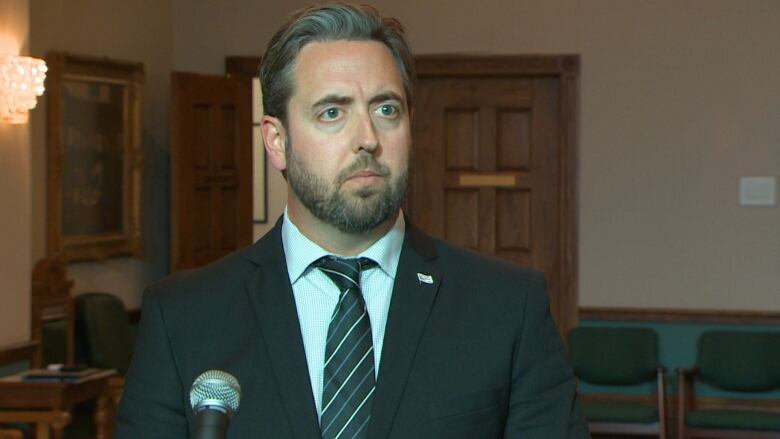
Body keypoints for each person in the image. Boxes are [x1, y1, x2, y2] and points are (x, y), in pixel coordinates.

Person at [117, 3, 589, 438]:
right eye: (332, 112)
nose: (367, 137)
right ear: (276, 141)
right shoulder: (184, 318)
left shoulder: (507, 308)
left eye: (386, 109)